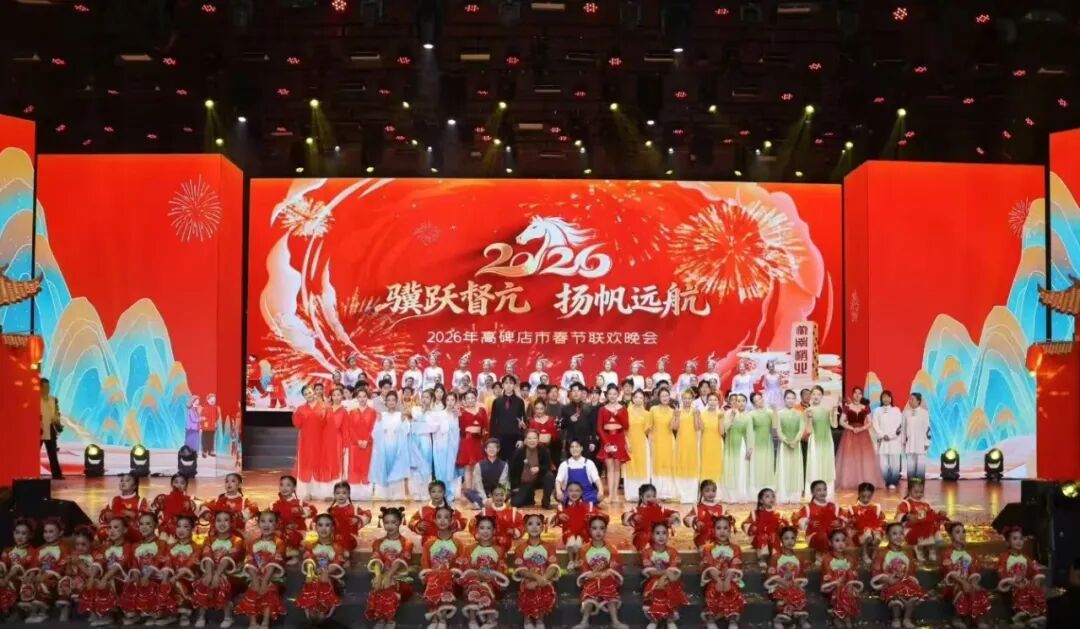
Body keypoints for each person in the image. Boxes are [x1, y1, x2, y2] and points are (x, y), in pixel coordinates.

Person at [871, 522, 927, 629]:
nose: (898, 536)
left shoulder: (907, 553)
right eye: (894, 533)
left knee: (913, 594)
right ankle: (896, 618)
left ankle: (907, 618)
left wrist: (907, 578)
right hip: (889, 583)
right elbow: (876, 572)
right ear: (887, 536)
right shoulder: (881, 553)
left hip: (905, 582)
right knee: (894, 595)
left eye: (901, 533)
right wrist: (887, 579)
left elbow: (911, 571)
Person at [835, 387, 885, 490]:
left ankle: (863, 480)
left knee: (863, 457)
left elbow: (870, 422)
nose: (857, 395)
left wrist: (861, 428)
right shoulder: (847, 407)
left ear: (862, 395)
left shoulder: (866, 407)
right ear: (852, 394)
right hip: (850, 434)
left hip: (863, 435)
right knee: (850, 457)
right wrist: (852, 428)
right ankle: (848, 481)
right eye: (855, 393)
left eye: (860, 393)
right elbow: (841, 421)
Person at [369, 391, 410, 500]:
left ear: (396, 402)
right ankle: (384, 494)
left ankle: (396, 495)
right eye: (389, 400)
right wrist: (380, 427)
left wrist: (402, 422)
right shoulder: (381, 415)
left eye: (393, 400)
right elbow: (374, 432)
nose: (391, 402)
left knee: (396, 468)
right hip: (384, 448)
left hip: (397, 447)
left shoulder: (400, 415)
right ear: (385, 402)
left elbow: (406, 430)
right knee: (384, 468)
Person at [292, 385, 327, 499]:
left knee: (319, 464)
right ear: (304, 396)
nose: (309, 395)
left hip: (321, 439)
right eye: (306, 394)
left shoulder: (324, 406)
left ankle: (318, 493)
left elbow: (328, 423)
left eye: (310, 392)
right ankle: (305, 492)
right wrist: (295, 413)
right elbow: (297, 424)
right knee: (306, 464)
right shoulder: (301, 409)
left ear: (314, 392)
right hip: (306, 441)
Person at [597, 386, 630, 504]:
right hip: (607, 439)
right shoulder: (602, 409)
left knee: (617, 467)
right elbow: (599, 428)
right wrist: (606, 443)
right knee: (609, 467)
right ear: (607, 395)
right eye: (610, 394)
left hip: (619, 438)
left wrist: (617, 414)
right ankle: (610, 495)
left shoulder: (623, 408)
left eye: (614, 394)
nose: (612, 396)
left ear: (618, 395)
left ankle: (615, 495)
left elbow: (626, 425)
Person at [803, 386, 837, 498]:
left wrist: (834, 412)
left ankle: (828, 493)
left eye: (818, 394)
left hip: (827, 441)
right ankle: (812, 493)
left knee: (826, 465)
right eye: (813, 394)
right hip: (814, 442)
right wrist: (809, 418)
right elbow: (808, 430)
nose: (816, 396)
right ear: (810, 396)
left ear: (822, 396)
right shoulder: (807, 411)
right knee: (814, 465)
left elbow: (834, 425)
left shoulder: (827, 410)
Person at [510, 429, 555, 508]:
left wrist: (539, 468)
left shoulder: (544, 451)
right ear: (525, 440)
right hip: (525, 481)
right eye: (529, 438)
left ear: (538, 440)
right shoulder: (519, 452)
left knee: (549, 476)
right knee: (516, 503)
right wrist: (515, 487)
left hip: (538, 479)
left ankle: (546, 502)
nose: (532, 441)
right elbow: (513, 470)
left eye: (534, 438)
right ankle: (529, 496)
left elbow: (548, 466)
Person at [720, 393, 753, 502]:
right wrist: (732, 416)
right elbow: (725, 429)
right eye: (738, 401)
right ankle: (731, 495)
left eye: (743, 401)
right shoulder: (729, 413)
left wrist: (750, 448)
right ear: (734, 402)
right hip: (730, 444)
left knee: (741, 468)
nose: (741, 403)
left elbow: (750, 433)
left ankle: (741, 495)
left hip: (742, 445)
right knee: (730, 468)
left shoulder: (748, 416)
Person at [775, 390, 805, 504]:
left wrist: (795, 441)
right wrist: (787, 442)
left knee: (795, 469)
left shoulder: (800, 414)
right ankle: (784, 495)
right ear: (784, 400)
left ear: (795, 400)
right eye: (788, 398)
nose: (790, 400)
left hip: (796, 446)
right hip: (784, 446)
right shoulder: (779, 414)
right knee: (784, 468)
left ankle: (794, 496)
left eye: (792, 398)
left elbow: (801, 429)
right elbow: (779, 431)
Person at [648, 387, 678, 500]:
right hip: (656, 441)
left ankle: (668, 493)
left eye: (666, 395)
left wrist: (676, 415)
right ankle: (658, 493)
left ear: (669, 397)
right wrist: (650, 442)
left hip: (669, 441)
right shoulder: (653, 409)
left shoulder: (672, 411)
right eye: (662, 396)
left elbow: (673, 428)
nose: (665, 398)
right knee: (657, 466)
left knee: (668, 466)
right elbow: (650, 427)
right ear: (659, 398)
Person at [871, 390, 904, 490]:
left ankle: (893, 481)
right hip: (883, 441)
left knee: (895, 463)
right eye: (884, 397)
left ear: (891, 398)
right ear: (881, 399)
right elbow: (875, 424)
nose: (886, 399)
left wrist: (892, 436)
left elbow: (900, 425)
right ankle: (886, 480)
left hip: (894, 441)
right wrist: (882, 435)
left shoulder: (896, 410)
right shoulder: (877, 411)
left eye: (888, 397)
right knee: (883, 464)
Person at [490, 375, 527, 460]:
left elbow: (523, 420)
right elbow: (493, 421)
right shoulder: (497, 401)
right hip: (500, 437)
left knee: (514, 462)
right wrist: (493, 439)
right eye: (506, 383)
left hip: (515, 437)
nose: (508, 385)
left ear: (514, 385)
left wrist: (521, 438)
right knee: (500, 463)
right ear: (502, 385)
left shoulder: (519, 401)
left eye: (511, 383)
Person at [555, 440, 603, 505]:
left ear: (581, 448)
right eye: (572, 447)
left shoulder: (589, 463)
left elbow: (596, 479)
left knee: (597, 496)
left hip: (587, 494)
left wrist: (601, 490)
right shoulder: (564, 464)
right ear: (569, 449)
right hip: (570, 495)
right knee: (558, 494)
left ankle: (580, 503)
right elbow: (558, 480)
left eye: (577, 447)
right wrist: (558, 491)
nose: (574, 449)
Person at [673, 389, 700, 502]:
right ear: (682, 399)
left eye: (689, 398)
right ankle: (681, 494)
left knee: (692, 464)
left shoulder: (696, 411)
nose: (687, 400)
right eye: (685, 398)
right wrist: (676, 415)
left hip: (692, 443)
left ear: (692, 399)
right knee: (681, 464)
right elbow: (675, 428)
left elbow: (697, 427)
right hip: (681, 442)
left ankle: (691, 495)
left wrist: (696, 416)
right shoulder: (678, 411)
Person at [465, 439, 509, 509]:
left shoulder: (504, 465)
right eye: (489, 447)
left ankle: (480, 504)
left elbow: (502, 483)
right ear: (485, 449)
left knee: (507, 493)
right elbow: (478, 484)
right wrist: (485, 499)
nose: (491, 449)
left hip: (497, 492)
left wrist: (494, 497)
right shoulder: (479, 465)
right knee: (468, 492)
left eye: (494, 447)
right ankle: (486, 503)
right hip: (483, 491)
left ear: (498, 449)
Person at [560, 382, 598, 461]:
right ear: (570, 393)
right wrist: (570, 420)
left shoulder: (589, 408)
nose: (576, 393)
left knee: (586, 464)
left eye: (578, 391)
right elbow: (562, 426)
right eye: (574, 391)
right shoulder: (565, 408)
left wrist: (593, 442)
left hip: (586, 442)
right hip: (571, 442)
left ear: (582, 392)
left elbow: (593, 426)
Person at [748, 391, 776, 491]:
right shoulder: (751, 414)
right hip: (756, 442)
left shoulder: (770, 412)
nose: (759, 401)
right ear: (753, 403)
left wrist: (775, 411)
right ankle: (756, 487)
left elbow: (775, 427)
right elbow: (749, 431)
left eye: (760, 398)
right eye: (756, 400)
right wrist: (750, 446)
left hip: (767, 441)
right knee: (757, 464)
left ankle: (768, 486)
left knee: (767, 462)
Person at [902, 392, 931, 481]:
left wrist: (927, 442)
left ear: (918, 401)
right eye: (909, 399)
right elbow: (903, 428)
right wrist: (903, 441)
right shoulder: (906, 413)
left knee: (920, 465)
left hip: (921, 442)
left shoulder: (924, 413)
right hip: (910, 443)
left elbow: (927, 428)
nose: (910, 401)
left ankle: (920, 484)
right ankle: (911, 484)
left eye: (912, 399)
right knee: (910, 465)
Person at [39, 378, 64, 479]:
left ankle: (57, 474)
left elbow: (56, 413)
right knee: (34, 453)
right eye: (45, 387)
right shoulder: (35, 399)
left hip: (50, 427)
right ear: (40, 387)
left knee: (52, 453)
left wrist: (58, 422)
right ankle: (31, 473)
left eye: (48, 387)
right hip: (39, 429)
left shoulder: (53, 399)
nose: (47, 389)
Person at [200, 393, 219, 458]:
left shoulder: (215, 408)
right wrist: (202, 423)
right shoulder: (204, 407)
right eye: (211, 399)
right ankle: (204, 451)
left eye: (214, 399)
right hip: (205, 426)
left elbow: (217, 416)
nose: (212, 400)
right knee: (205, 439)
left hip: (212, 426)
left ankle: (211, 451)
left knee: (211, 439)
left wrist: (215, 423)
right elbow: (202, 416)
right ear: (207, 400)